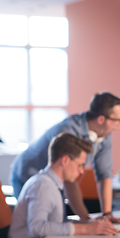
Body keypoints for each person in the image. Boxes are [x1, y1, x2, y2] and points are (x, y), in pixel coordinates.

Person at [10, 92, 120, 222]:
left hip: (55, 181)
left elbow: (104, 175)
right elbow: (69, 180)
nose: (118, 125)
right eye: (117, 120)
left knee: (57, 221)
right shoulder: (68, 131)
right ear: (101, 119)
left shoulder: (104, 136)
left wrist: (106, 215)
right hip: (27, 174)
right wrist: (86, 220)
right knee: (40, 224)